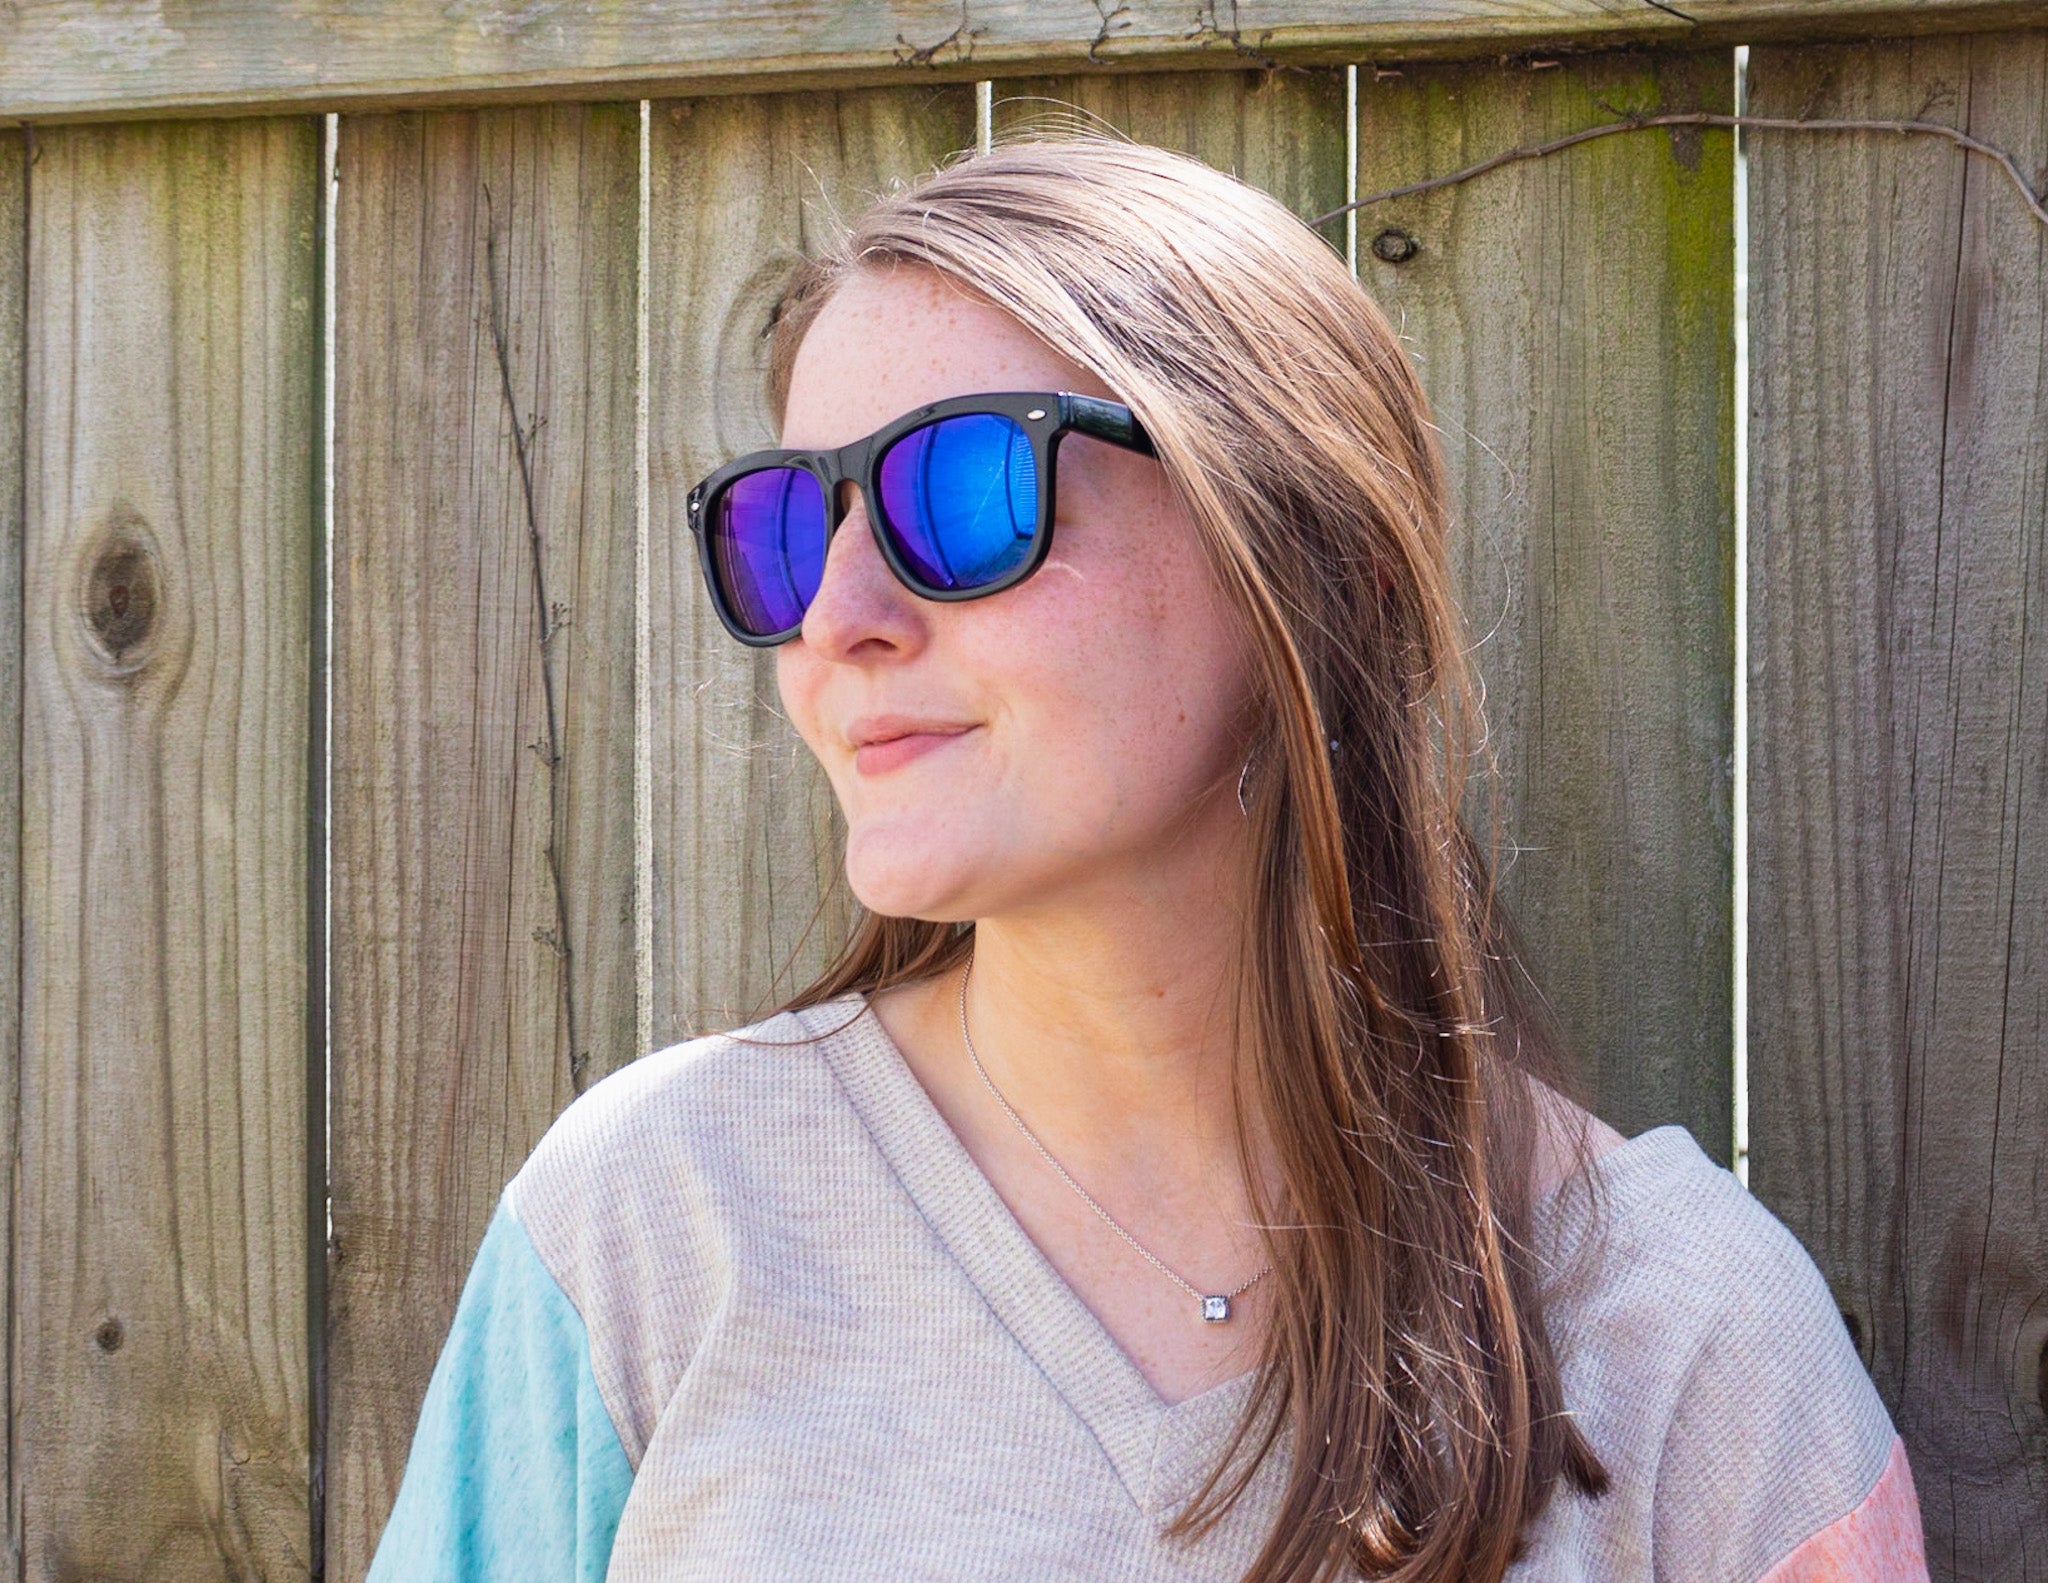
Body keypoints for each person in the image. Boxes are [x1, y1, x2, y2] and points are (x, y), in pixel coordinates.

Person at [365, 131, 1927, 1582]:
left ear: (1317, 565)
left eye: (960, 491)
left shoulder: (1692, 1349)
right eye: (787, 524)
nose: (837, 620)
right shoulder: (654, 1222)